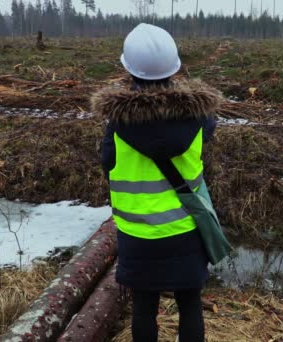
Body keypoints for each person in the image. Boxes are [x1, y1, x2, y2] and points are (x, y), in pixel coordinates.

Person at [92, 23, 223, 342]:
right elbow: (206, 135)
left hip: (137, 233)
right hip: (186, 229)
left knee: (143, 307)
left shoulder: (117, 123)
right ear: (174, 69)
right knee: (190, 303)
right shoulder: (200, 117)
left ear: (128, 68)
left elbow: (107, 164)